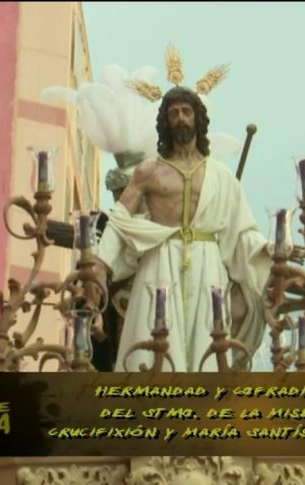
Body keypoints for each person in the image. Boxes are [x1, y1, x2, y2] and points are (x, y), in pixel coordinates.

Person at [94, 85, 270, 372]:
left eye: (186, 112)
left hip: (206, 265)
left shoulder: (221, 176)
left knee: (208, 342)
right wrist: (101, 264)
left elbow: (242, 231)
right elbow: (120, 219)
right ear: (165, 121)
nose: (180, 118)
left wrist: (267, 251)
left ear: (198, 119)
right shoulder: (148, 171)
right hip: (160, 262)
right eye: (173, 113)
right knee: (153, 345)